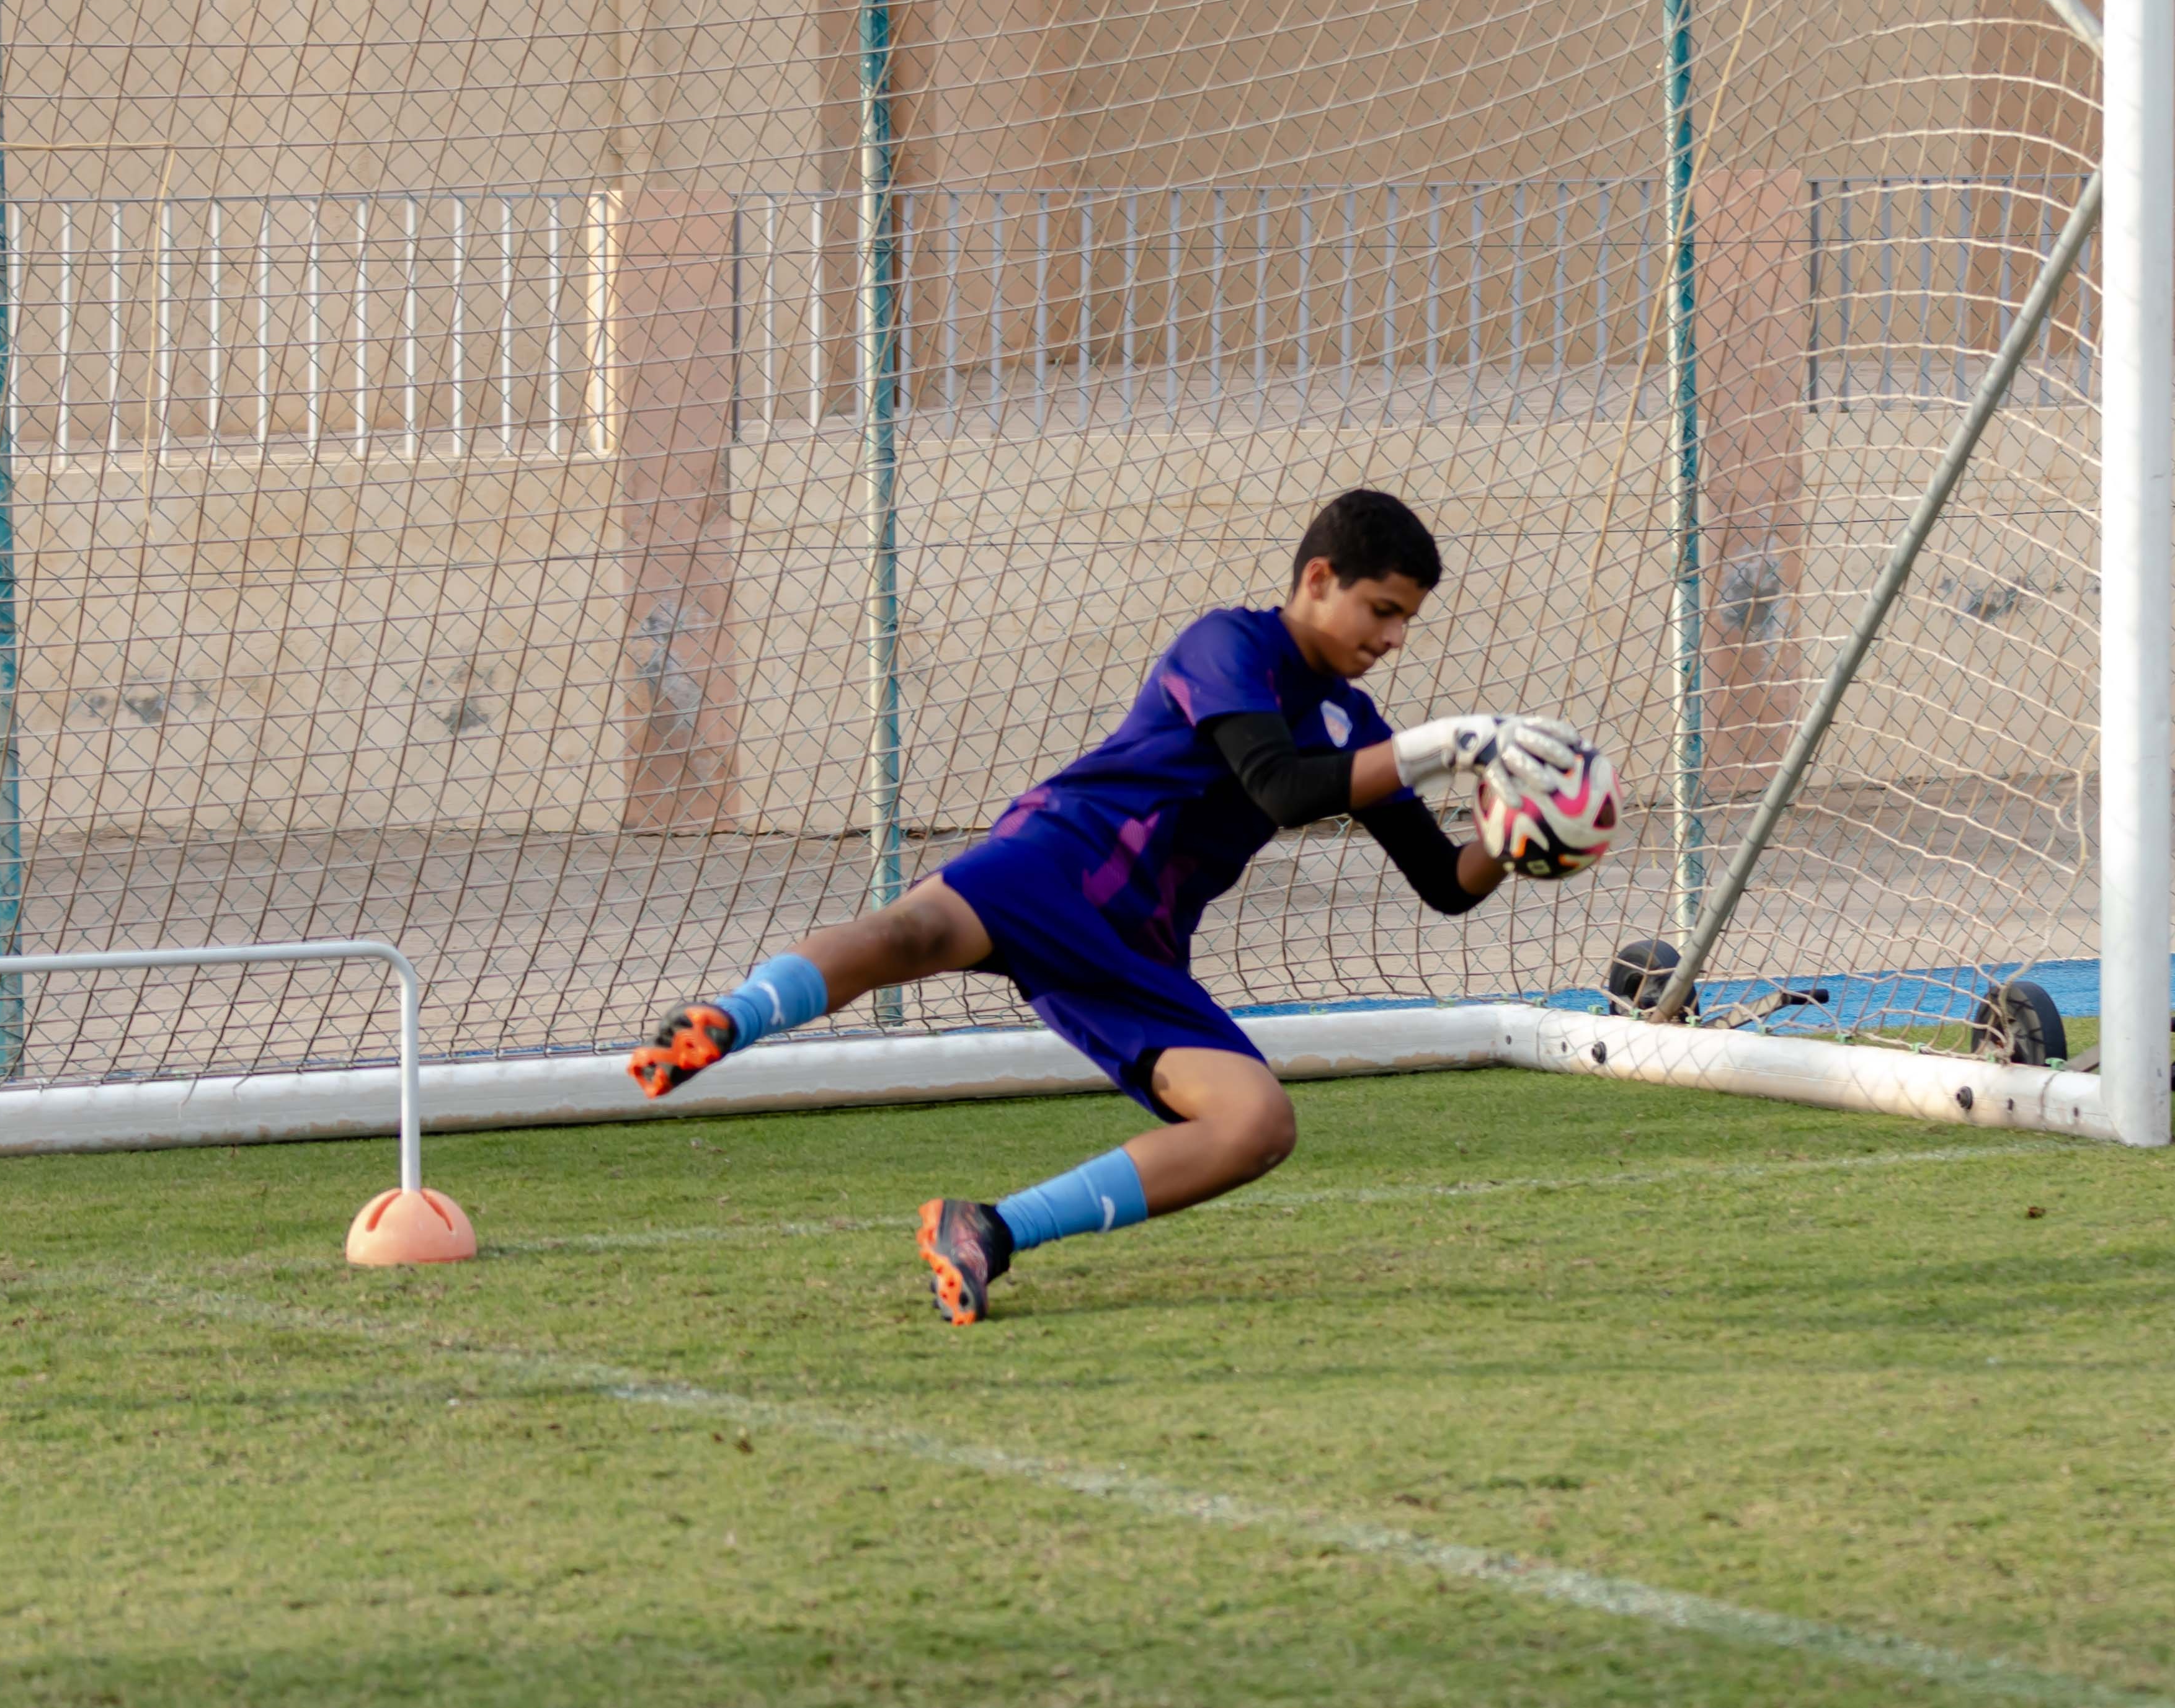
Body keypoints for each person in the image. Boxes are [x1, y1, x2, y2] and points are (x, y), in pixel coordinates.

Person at [626, 487, 1600, 1325]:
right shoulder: (1228, 643)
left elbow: (1442, 881)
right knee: (911, 931)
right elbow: (1281, 787)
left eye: (1406, 623)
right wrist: (1455, 740)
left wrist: (1521, 843)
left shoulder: (1354, 722)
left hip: (1139, 946)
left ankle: (989, 1230)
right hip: (1066, 856)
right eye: (1380, 610)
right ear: (1316, 579)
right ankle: (724, 1020)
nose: (1390, 639)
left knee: (1257, 1123)